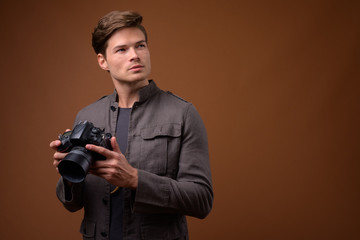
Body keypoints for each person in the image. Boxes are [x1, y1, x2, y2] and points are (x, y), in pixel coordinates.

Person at [50, 10, 213, 240]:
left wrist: (135, 179)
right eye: (122, 49)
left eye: (141, 46)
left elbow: (202, 199)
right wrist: (68, 173)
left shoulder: (183, 114)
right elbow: (72, 205)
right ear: (102, 61)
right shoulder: (87, 116)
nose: (135, 55)